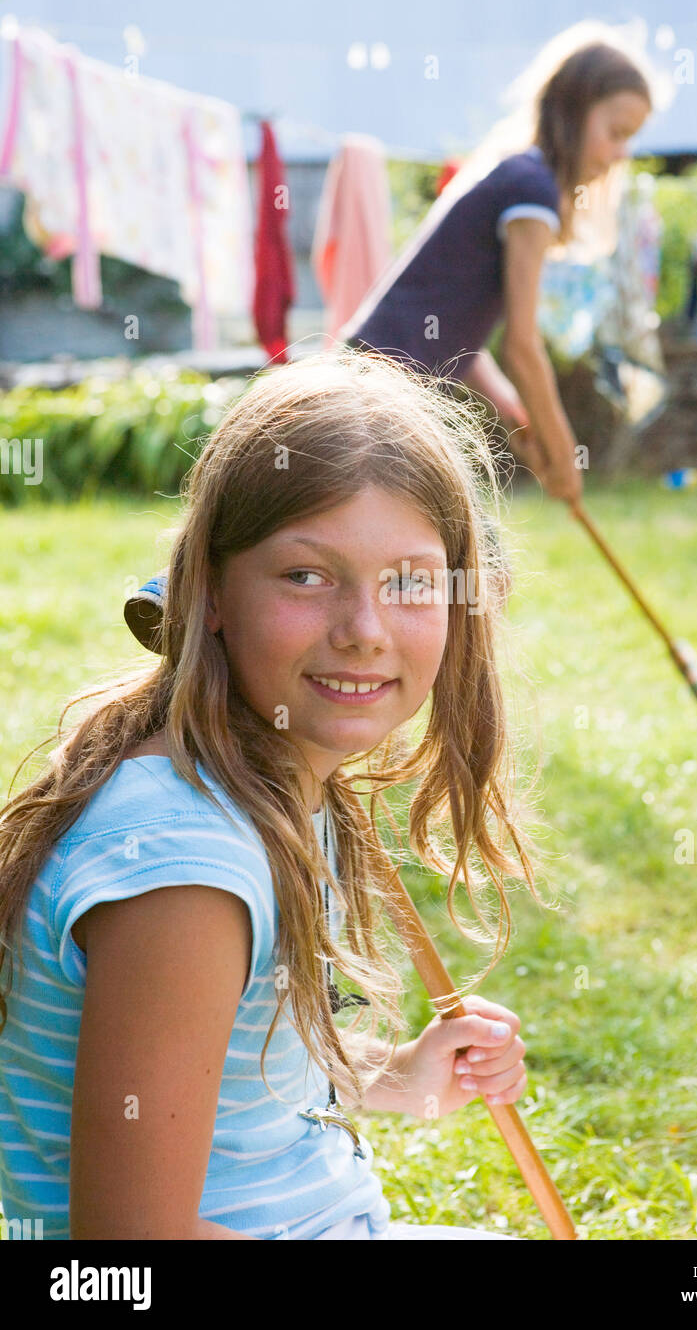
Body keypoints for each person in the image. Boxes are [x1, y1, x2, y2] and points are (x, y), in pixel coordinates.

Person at [0, 349, 553, 1241]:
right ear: (211, 591)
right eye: (306, 575)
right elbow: (125, 1254)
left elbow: (236, 1077)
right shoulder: (186, 872)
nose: (364, 631)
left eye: (409, 582)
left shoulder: (268, 786)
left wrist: (395, 1075)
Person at [339, 22, 656, 507]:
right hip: (378, 395)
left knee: (458, 555)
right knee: (465, 551)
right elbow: (522, 346)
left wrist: (513, 407)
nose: (621, 154)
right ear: (571, 112)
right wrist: (563, 449)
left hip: (371, 376)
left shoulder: (518, 174)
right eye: (615, 133)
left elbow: (457, 324)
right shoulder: (532, 189)